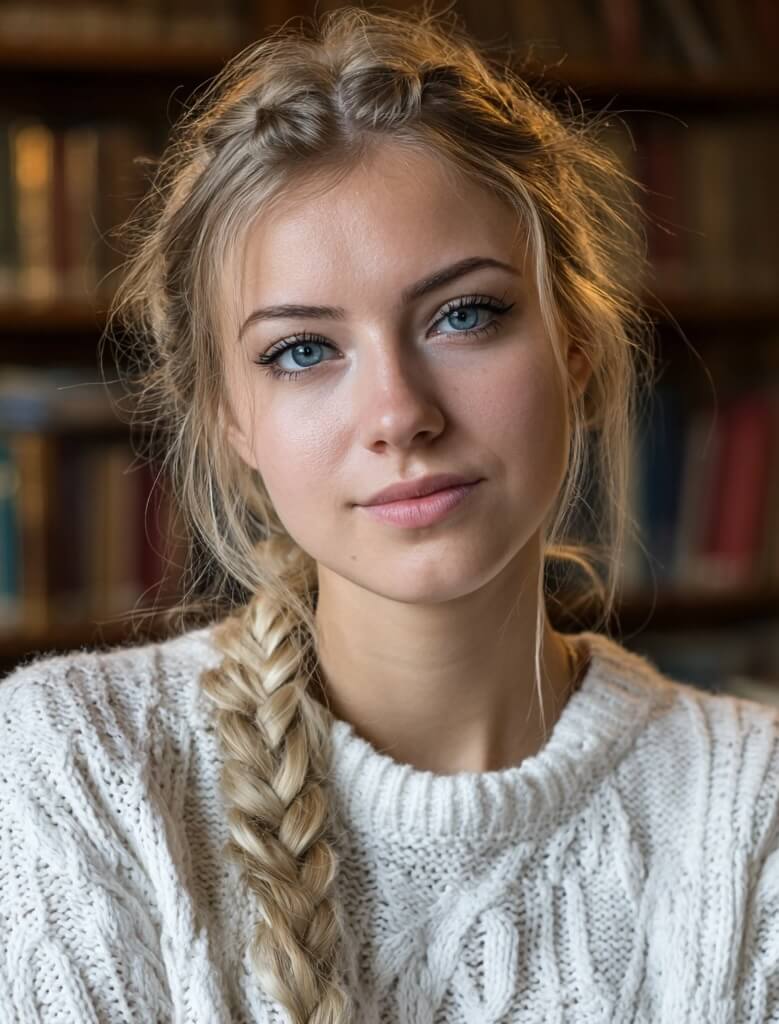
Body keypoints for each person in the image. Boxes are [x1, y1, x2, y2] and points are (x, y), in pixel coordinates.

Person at [1, 5, 778, 1023]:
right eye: (301, 351)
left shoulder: (753, 811)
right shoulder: (72, 764)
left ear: (573, 343)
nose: (399, 415)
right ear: (231, 418)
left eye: (464, 314)